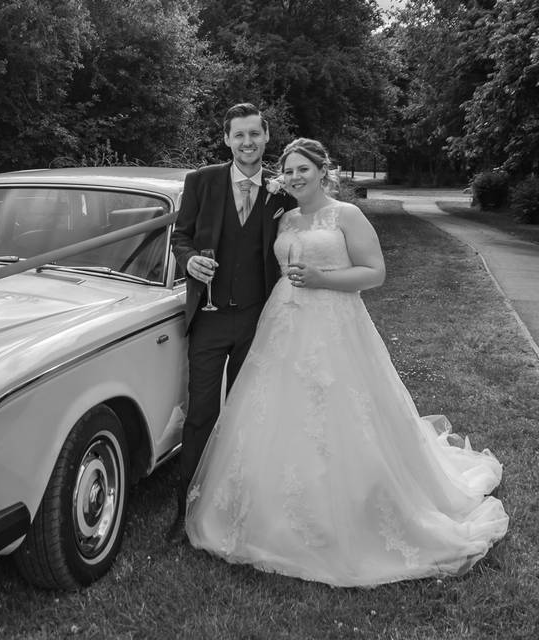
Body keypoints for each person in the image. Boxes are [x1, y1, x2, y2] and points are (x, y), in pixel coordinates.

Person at [184, 137, 509, 586]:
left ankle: (350, 507)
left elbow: (375, 272)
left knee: (340, 409)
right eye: (289, 170)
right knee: (273, 411)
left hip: (334, 320)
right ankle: (267, 508)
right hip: (282, 319)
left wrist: (323, 278)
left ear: (322, 170)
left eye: (304, 169)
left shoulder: (347, 214)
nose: (296, 177)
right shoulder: (284, 215)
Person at [168, 103, 296, 542]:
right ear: (226, 139)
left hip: (260, 319)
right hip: (208, 318)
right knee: (201, 413)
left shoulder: (281, 193)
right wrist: (189, 262)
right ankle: (187, 510)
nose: (247, 143)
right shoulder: (201, 182)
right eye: (238, 136)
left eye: (254, 135)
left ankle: (243, 508)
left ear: (266, 137)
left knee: (251, 415)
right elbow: (179, 235)